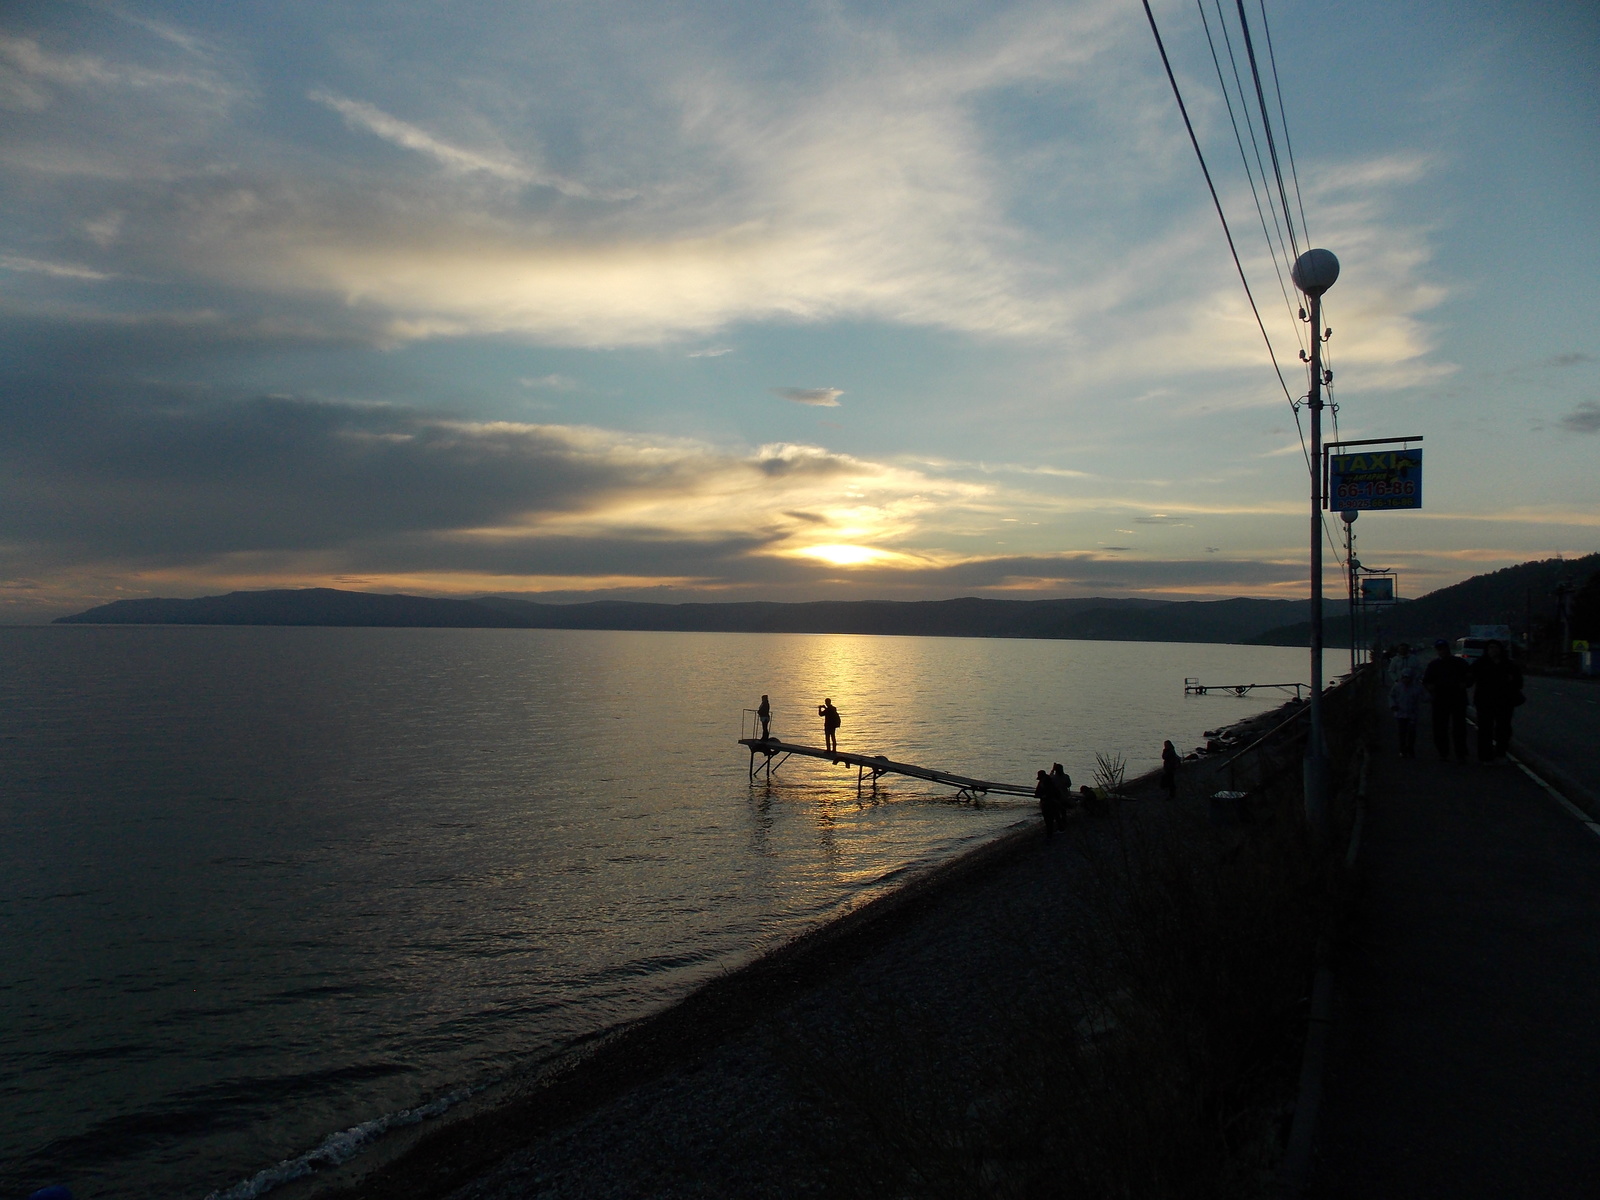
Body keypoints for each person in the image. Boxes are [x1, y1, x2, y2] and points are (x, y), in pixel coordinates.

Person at [1471, 639, 1523, 763]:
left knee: (1503, 729)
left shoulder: (1509, 665)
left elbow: (1519, 683)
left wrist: (1511, 681)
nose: (1493, 650)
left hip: (1504, 701)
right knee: (1485, 729)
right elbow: (1469, 677)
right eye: (1491, 647)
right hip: (1484, 701)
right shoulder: (1480, 663)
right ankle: (1485, 755)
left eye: (1495, 647)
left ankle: (1501, 752)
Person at [1421, 638, 1472, 761]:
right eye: (1439, 649)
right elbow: (1426, 681)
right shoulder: (1433, 665)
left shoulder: (1459, 662)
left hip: (1458, 698)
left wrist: (1466, 684)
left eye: (1443, 648)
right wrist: (1430, 688)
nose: (1442, 651)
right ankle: (1443, 752)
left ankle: (1461, 753)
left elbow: (1470, 676)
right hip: (1440, 699)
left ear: (1448, 649)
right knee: (1439, 727)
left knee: (1459, 728)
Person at [1389, 668, 1425, 758]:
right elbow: (1391, 696)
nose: (1406, 679)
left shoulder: (1416, 687)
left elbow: (1424, 696)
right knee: (1402, 732)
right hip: (1400, 713)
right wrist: (1393, 705)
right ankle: (1402, 749)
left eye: (1408, 678)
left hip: (1412, 713)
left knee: (1411, 733)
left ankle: (1410, 748)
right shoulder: (1397, 687)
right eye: (1404, 677)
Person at [1035, 769, 1064, 833]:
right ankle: (1060, 829)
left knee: (1049, 818)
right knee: (1056, 816)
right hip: (1053, 802)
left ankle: (1051, 831)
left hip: (1048, 802)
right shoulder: (1051, 781)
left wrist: (1043, 796)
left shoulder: (1045, 782)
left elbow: (1037, 793)